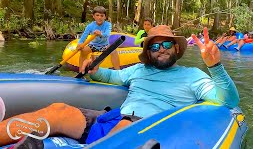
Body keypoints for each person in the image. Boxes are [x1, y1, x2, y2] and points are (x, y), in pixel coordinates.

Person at [0, 25, 240, 147]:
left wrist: (215, 65)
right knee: (58, 110)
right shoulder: (137, 70)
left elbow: (228, 101)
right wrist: (93, 69)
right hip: (113, 118)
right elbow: (109, 77)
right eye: (154, 46)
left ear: (177, 48)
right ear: (148, 51)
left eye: (166, 44)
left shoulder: (193, 76)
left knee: (124, 124)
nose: (161, 49)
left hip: (147, 126)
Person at [77, 6, 120, 70]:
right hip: (93, 45)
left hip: (104, 45)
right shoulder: (90, 26)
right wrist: (80, 43)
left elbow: (107, 34)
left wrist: (100, 34)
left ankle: (118, 71)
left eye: (102, 16)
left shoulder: (108, 24)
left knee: (113, 51)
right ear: (93, 16)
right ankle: (81, 71)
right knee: (83, 51)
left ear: (105, 17)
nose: (99, 17)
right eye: (97, 15)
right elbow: (84, 35)